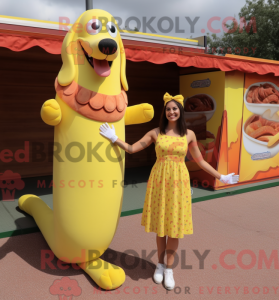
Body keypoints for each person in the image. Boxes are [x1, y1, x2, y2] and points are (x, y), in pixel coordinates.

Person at [99, 93, 239, 290]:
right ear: (164, 113)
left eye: (175, 108)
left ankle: (169, 269)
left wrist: (221, 176)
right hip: (159, 181)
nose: (171, 112)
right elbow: (131, 148)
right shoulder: (156, 133)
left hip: (179, 183)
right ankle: (160, 264)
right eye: (168, 109)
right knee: (161, 228)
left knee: (174, 229)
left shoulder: (189, 134)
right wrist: (115, 138)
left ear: (180, 112)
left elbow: (201, 161)